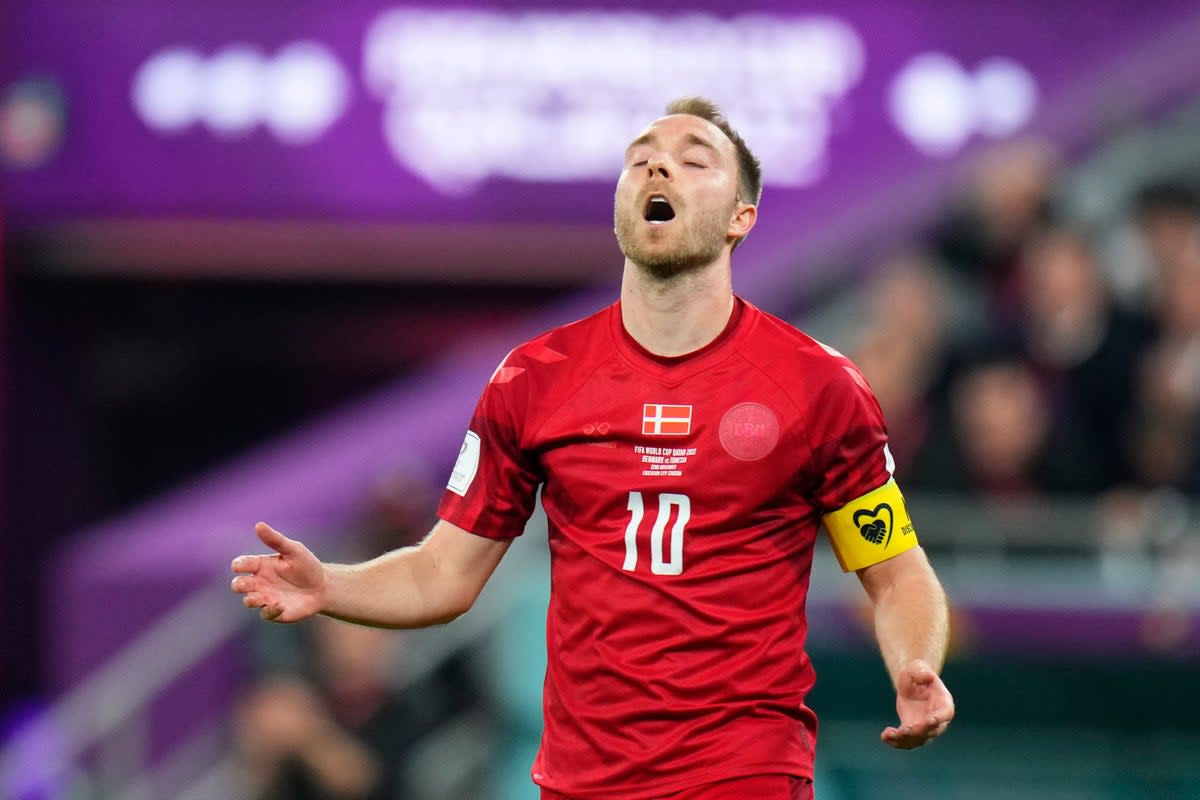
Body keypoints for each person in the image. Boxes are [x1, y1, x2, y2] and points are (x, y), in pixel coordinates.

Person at [231, 97, 954, 800]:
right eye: (640, 160)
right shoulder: (533, 379)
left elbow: (895, 574)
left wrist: (916, 663)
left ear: (742, 217)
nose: (657, 171)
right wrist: (332, 587)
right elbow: (440, 575)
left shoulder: (818, 386)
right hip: (582, 783)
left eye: (692, 160)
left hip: (743, 774)